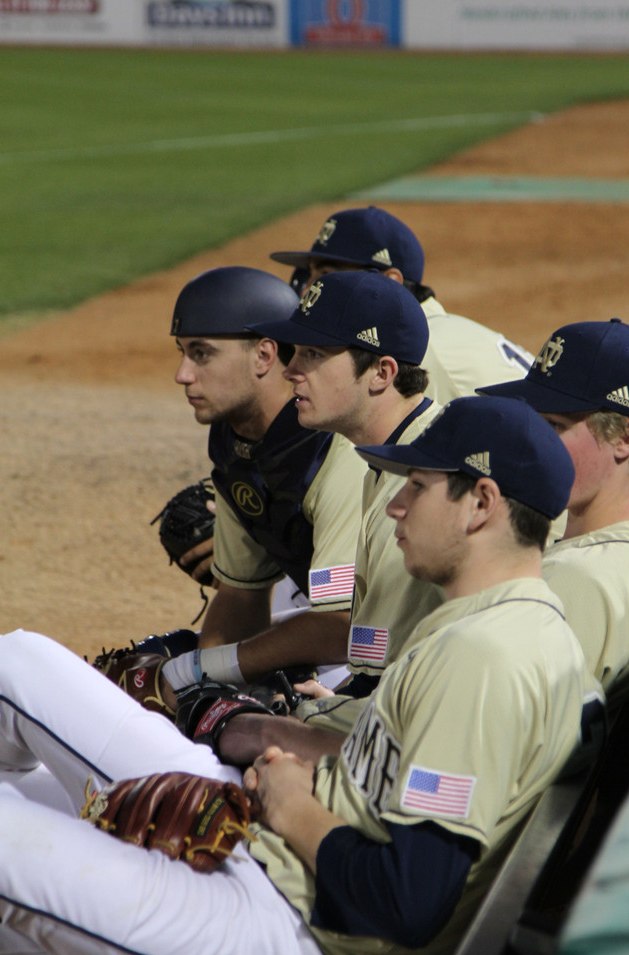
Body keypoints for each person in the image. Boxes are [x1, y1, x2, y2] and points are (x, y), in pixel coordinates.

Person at [0, 395, 603, 955]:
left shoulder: (486, 658)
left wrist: (293, 806)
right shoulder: (500, 625)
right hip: (275, 869)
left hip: (295, 942)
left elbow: (407, 902)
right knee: (19, 666)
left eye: (418, 486)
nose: (395, 504)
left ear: (481, 503)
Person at [162, 270, 442, 704]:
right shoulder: (381, 458)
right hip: (406, 678)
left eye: (312, 353)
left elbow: (348, 629)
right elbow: (374, 646)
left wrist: (205, 670)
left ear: (381, 372)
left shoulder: (415, 476)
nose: (290, 369)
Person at [162, 265, 366, 688]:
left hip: (420, 651)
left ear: (264, 355)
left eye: (201, 353)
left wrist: (210, 668)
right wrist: (203, 687)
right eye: (181, 352)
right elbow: (241, 595)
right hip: (357, 633)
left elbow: (342, 624)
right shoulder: (234, 443)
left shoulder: (332, 443)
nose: (182, 374)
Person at [478, 317, 629, 709]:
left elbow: (491, 734)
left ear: (626, 438)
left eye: (554, 425)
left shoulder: (580, 580)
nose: (531, 443)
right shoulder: (623, 561)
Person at [268, 203, 534, 403]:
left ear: (391, 281)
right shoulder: (433, 332)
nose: (307, 290)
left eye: (326, 276)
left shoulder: (422, 352)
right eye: (310, 275)